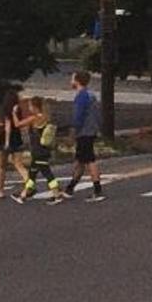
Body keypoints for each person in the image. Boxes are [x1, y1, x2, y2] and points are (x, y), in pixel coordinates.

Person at [53, 68, 104, 202]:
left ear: (77, 81)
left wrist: (72, 133)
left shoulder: (81, 97)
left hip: (84, 132)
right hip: (91, 130)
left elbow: (78, 117)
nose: (71, 81)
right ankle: (70, 188)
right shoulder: (91, 95)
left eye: (72, 78)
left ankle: (97, 190)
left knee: (89, 161)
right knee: (80, 161)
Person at [0, 85, 33, 201]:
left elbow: (7, 126)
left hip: (5, 138)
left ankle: (0, 191)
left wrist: (6, 141)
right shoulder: (18, 108)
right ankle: (29, 183)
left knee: (1, 166)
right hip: (17, 137)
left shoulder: (5, 108)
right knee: (18, 164)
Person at [20, 97, 57, 201]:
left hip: (37, 151)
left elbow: (18, 124)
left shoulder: (34, 118)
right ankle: (24, 194)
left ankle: (56, 193)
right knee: (32, 174)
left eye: (30, 106)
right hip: (44, 149)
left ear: (35, 107)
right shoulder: (46, 117)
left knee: (47, 173)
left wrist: (13, 113)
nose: (29, 108)